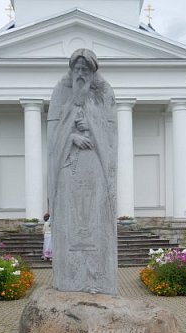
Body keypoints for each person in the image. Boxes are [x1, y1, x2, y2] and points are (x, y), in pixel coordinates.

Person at [47, 49, 118, 295]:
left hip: (94, 167)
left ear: (92, 72)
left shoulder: (103, 94)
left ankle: (98, 277)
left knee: (94, 210)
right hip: (71, 166)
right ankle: (71, 278)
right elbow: (54, 138)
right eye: (77, 69)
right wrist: (72, 136)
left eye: (85, 70)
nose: (80, 74)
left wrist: (92, 125)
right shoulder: (62, 94)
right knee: (72, 212)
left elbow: (110, 137)